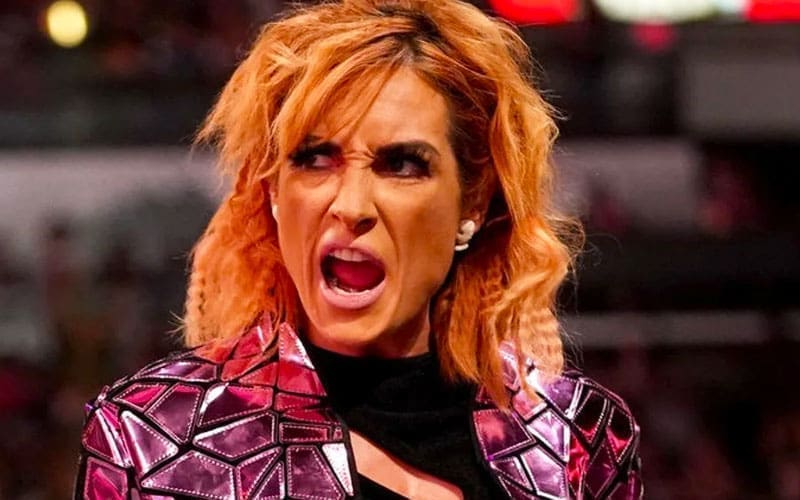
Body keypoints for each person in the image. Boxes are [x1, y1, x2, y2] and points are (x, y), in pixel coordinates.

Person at [74, 0, 643, 498]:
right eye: (315, 159)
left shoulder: (577, 439)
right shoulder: (155, 442)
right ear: (272, 191)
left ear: (473, 201)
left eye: (401, 164)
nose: (350, 206)